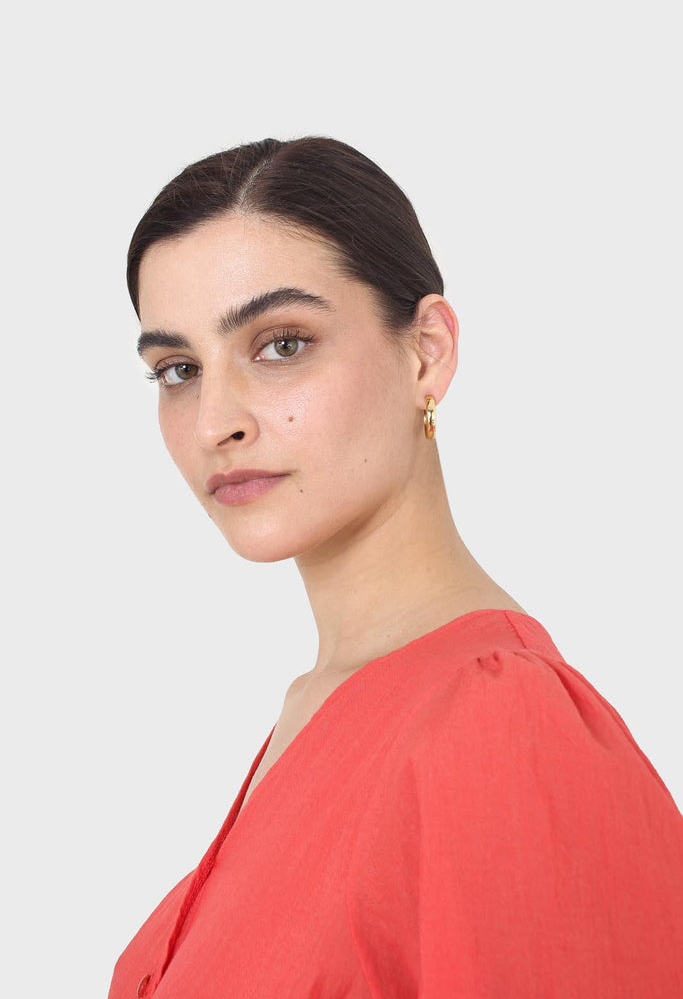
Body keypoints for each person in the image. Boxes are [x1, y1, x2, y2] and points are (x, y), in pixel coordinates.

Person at [108, 136, 683, 998]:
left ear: (426, 352)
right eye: (179, 369)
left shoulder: (500, 726)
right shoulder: (320, 704)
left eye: (281, 344)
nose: (213, 420)